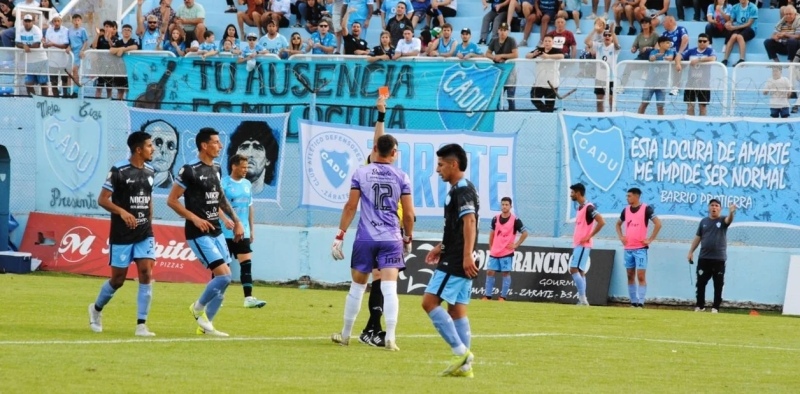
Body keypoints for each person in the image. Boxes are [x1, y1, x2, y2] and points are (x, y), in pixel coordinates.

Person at [330, 102, 415, 352]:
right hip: (391, 238)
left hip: (366, 237)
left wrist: (340, 234)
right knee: (389, 288)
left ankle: (346, 335)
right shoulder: (402, 176)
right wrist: (408, 238)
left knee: (357, 287)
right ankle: (390, 337)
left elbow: (350, 207)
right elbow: (409, 214)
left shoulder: (361, 172)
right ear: (395, 153)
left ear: (375, 149)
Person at [167, 128, 245, 337]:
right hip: (198, 232)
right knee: (225, 276)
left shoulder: (217, 169)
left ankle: (206, 324)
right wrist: (194, 217)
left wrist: (233, 220)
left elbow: (217, 198)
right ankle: (198, 308)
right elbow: (172, 200)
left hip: (216, 230)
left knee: (225, 280)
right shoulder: (189, 170)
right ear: (204, 145)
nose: (220, 146)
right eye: (216, 142)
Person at [89, 131, 157, 337]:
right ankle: (96, 309)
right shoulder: (119, 171)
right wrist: (123, 212)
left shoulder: (151, 171)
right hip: (121, 233)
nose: (152, 149)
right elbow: (102, 199)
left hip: (145, 232)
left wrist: (149, 222)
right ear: (138, 149)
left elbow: (149, 199)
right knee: (118, 280)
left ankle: (141, 325)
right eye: (149, 145)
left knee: (146, 272)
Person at [422, 143, 478, 378]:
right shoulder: (460, 189)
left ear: (454, 165)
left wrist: (465, 255)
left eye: (441, 165)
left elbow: (470, 222)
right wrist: (440, 247)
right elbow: (456, 228)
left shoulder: (462, 190)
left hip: (456, 260)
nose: (438, 170)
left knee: (428, 302)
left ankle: (460, 352)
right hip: (455, 254)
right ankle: (465, 368)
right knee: (457, 311)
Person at [220, 154, 268, 309]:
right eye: (243, 167)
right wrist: (225, 219)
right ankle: (218, 297)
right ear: (234, 166)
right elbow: (217, 205)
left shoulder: (247, 184)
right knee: (222, 267)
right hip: (225, 232)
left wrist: (252, 229)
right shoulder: (224, 183)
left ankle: (248, 298)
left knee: (246, 265)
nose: (246, 170)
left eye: (247, 167)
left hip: (244, 232)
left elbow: (249, 207)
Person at [615, 187, 662, 308]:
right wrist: (621, 237)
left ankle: (641, 302)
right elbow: (618, 224)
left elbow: (658, 223)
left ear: (637, 196)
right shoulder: (625, 210)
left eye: (629, 196)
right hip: (628, 249)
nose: (627, 198)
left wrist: (650, 239)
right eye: (627, 196)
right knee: (630, 275)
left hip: (640, 248)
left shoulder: (646, 209)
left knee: (640, 275)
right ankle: (633, 302)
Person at [687, 199, 735, 313]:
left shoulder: (723, 220)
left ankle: (715, 307)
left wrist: (731, 212)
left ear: (720, 208)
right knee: (701, 283)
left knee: (718, 284)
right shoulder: (704, 221)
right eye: (712, 205)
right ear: (709, 208)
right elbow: (698, 238)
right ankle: (700, 305)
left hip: (719, 259)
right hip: (704, 258)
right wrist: (691, 251)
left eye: (717, 206)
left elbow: (729, 220)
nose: (714, 207)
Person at [482, 197, 528, 301]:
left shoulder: (515, 220)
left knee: (505, 273)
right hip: (495, 251)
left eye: (506, 204)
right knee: (489, 271)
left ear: (510, 206)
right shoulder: (495, 219)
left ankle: (503, 297)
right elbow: (492, 234)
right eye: (503, 204)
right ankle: (487, 295)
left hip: (506, 251)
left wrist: (516, 245)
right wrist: (491, 247)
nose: (504, 206)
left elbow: (525, 233)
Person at [568, 183, 605, 306]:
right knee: (580, 271)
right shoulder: (580, 208)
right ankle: (582, 300)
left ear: (578, 193)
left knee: (573, 269)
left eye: (572, 192)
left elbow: (601, 221)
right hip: (579, 244)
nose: (571, 195)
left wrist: (589, 236)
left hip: (583, 244)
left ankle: (583, 299)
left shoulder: (589, 207)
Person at [226, 121, 280, 195]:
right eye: (244, 147)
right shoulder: (224, 191)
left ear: (268, 160)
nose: (250, 154)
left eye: (257, 148)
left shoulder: (274, 194)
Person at [675, 33, 716, 116]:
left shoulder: (710, 51)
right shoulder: (691, 51)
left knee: (702, 107)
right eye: (700, 41)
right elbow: (679, 56)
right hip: (691, 83)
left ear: (708, 42)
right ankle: (690, 125)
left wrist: (699, 60)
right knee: (690, 106)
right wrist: (678, 64)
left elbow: (713, 58)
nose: (702, 43)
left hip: (704, 84)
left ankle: (702, 125)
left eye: (704, 41)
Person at [638, 36, 675, 115]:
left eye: (669, 43)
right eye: (667, 43)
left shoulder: (670, 52)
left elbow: (671, 57)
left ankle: (660, 122)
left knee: (660, 106)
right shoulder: (654, 52)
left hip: (662, 84)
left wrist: (666, 57)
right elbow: (651, 58)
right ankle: (638, 118)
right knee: (644, 103)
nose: (669, 44)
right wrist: (657, 56)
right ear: (661, 44)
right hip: (650, 83)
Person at [485, 22, 518, 110]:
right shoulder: (494, 40)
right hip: (498, 71)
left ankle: (512, 114)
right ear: (498, 31)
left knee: (510, 96)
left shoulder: (511, 40)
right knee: (497, 96)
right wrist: (494, 57)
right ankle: (499, 113)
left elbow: (515, 54)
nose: (502, 32)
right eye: (501, 30)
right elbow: (487, 53)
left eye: (505, 30)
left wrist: (502, 56)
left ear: (507, 31)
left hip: (510, 71)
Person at [527, 35, 564, 112]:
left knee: (550, 104)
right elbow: (527, 55)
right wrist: (533, 54)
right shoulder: (539, 50)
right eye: (546, 41)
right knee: (534, 98)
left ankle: (548, 112)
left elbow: (561, 56)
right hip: (539, 82)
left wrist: (548, 56)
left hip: (552, 83)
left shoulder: (556, 50)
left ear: (553, 42)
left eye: (549, 41)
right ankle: (544, 110)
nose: (547, 43)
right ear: (543, 42)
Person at [588, 25, 619, 112]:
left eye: (609, 35)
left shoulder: (614, 47)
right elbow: (586, 41)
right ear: (602, 37)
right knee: (599, 102)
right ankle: (600, 119)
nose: (607, 36)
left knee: (611, 101)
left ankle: (614, 118)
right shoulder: (598, 46)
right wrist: (594, 30)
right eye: (605, 35)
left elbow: (617, 46)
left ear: (612, 37)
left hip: (611, 79)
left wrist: (613, 32)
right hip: (599, 78)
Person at [17, 14, 47, 97]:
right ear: (23, 22)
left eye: (29, 21)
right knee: (28, 83)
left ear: (32, 22)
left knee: (43, 84)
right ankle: (34, 101)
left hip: (40, 59)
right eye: (25, 21)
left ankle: (45, 100)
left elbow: (37, 44)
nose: (27, 23)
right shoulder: (20, 30)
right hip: (29, 61)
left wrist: (26, 46)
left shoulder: (37, 30)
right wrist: (24, 46)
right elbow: (17, 43)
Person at [720, 0, 758, 66]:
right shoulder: (735, 7)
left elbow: (749, 24)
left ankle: (742, 59)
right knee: (733, 36)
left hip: (751, 29)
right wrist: (728, 24)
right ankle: (725, 59)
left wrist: (734, 28)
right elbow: (731, 20)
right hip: (739, 27)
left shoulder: (753, 7)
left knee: (739, 37)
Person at [43, 14, 70, 98]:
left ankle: (65, 97)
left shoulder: (65, 30)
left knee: (64, 81)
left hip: (64, 60)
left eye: (58, 21)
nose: (57, 23)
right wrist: (44, 44)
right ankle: (56, 98)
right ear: (52, 22)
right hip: (52, 61)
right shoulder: (49, 30)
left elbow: (65, 45)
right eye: (55, 21)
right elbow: (46, 44)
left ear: (61, 21)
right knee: (53, 82)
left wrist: (53, 44)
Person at [110, 24, 139, 100]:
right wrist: (121, 48)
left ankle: (128, 108)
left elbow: (135, 47)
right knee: (120, 90)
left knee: (129, 90)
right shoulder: (118, 42)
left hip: (130, 69)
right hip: (119, 69)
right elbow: (112, 50)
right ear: (122, 32)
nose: (126, 32)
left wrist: (123, 50)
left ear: (131, 32)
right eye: (125, 30)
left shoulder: (133, 41)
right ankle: (119, 107)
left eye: (128, 30)